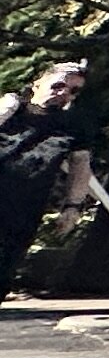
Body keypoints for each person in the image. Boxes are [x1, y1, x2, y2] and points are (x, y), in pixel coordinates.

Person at [0, 57, 102, 298]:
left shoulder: (72, 127)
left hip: (23, 213)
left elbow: (80, 164)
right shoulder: (11, 110)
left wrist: (72, 207)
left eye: (73, 91)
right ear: (38, 83)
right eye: (58, 85)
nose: (64, 93)